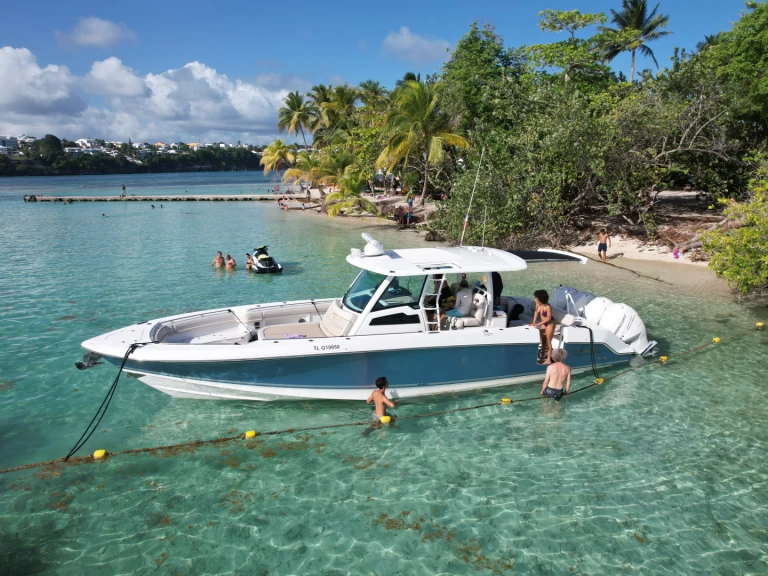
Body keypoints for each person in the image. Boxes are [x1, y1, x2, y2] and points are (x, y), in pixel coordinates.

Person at [531, 289, 554, 364]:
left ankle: (548, 360)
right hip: (543, 324)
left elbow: (548, 318)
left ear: (540, 299)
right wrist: (533, 322)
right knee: (543, 342)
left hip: (550, 324)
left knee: (548, 342)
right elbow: (536, 312)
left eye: (536, 298)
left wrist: (538, 323)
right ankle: (542, 358)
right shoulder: (538, 305)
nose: (535, 299)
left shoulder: (548, 306)